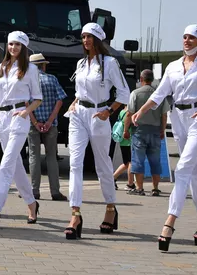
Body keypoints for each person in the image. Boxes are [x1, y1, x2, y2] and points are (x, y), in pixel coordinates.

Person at [131, 24, 197, 251]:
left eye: (192, 38)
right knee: (194, 172)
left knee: (182, 169)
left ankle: (169, 222)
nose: (187, 40)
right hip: (178, 118)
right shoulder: (172, 67)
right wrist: (141, 111)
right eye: (185, 37)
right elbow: (159, 94)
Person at [63, 22, 130, 240]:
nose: (85, 40)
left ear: (98, 39)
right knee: (75, 163)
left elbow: (124, 93)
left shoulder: (110, 63)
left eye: (89, 36)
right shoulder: (81, 63)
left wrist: (109, 111)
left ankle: (110, 208)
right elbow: (79, 91)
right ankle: (75, 214)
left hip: (99, 115)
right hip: (78, 115)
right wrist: (74, 103)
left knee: (102, 165)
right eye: (83, 37)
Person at [0, 31, 43, 229]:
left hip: (19, 118)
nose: (13, 47)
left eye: (17, 44)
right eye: (11, 44)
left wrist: (25, 112)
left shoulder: (31, 69)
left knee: (6, 165)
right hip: (1, 119)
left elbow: (38, 98)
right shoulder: (1, 67)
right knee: (16, 166)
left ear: (24, 47)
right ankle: (32, 203)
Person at [27, 53, 67, 201]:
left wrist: (35, 122)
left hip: (33, 124)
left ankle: (34, 191)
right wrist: (50, 120)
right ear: (43, 65)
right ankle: (55, 192)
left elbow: (25, 103)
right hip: (51, 125)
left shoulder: (28, 82)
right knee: (51, 157)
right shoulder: (52, 79)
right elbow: (60, 100)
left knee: (34, 156)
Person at [125, 69, 169, 196]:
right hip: (155, 131)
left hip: (139, 131)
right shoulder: (159, 94)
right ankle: (155, 188)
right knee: (155, 161)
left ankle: (140, 188)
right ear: (152, 79)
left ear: (141, 79)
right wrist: (162, 130)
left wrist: (126, 130)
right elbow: (164, 115)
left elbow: (129, 113)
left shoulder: (135, 93)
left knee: (138, 160)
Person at [110, 106, 134, 191]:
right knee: (131, 162)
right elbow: (129, 122)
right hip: (129, 139)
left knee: (126, 163)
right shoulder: (129, 112)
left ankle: (112, 178)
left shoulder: (122, 111)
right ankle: (130, 184)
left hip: (123, 140)